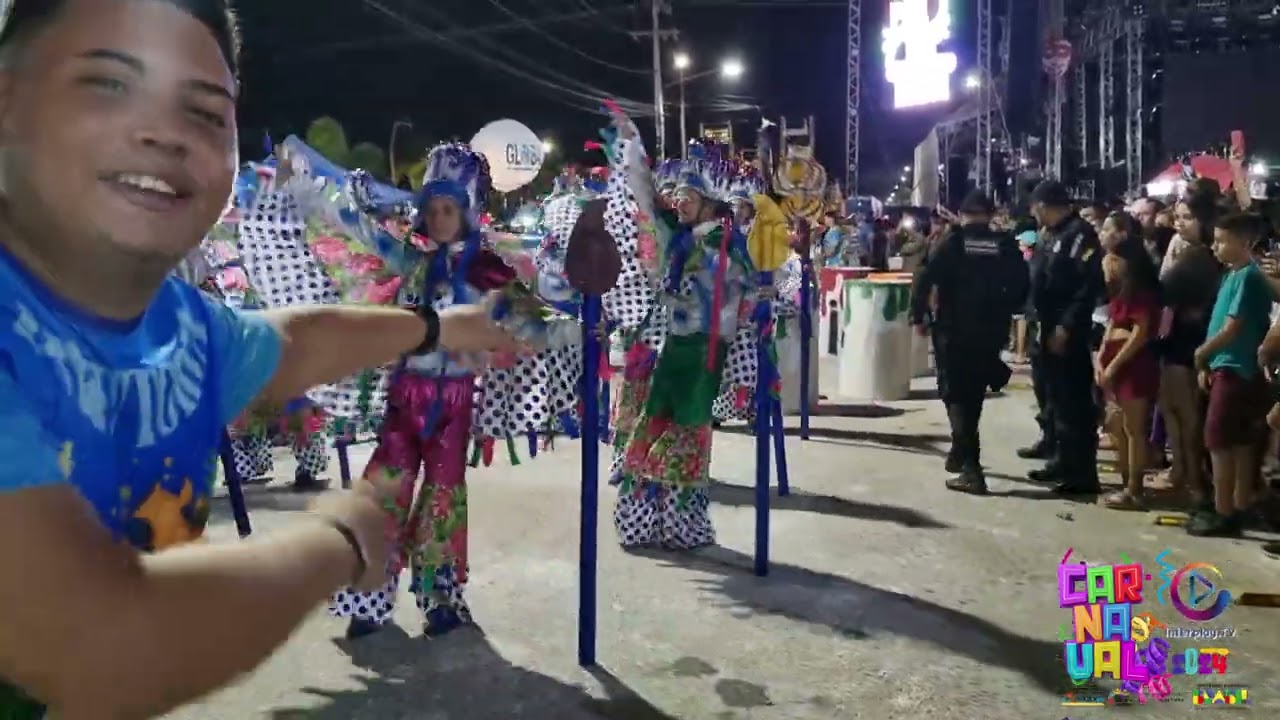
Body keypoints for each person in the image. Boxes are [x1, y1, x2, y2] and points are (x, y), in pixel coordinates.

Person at [0, 2, 521, 718]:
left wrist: (448, 326)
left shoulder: (188, 331)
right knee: (387, 490)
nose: (165, 134)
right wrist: (334, 543)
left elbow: (301, 339)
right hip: (408, 403)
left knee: (446, 503)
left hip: (455, 403)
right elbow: (101, 646)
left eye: (207, 112)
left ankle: (440, 597)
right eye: (108, 84)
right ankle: (370, 596)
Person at [911, 190, 1028, 494]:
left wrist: (918, 316)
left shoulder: (952, 241)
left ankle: (971, 468)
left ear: (962, 215)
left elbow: (924, 277)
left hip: (954, 330)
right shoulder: (1004, 244)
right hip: (990, 333)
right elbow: (1022, 284)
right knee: (973, 395)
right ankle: (959, 449)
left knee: (954, 395)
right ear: (990, 215)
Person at [1191, 212, 1273, 536]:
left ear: (1244, 242)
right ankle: (1238, 506)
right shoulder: (1232, 275)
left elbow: (1233, 327)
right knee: (1236, 443)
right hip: (1227, 366)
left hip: (1236, 367)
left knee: (1219, 443)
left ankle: (1224, 511)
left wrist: (1203, 354)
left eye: (1222, 240)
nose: (1215, 246)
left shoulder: (1248, 276)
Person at [1026, 181, 1105, 494]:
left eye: (1036, 207)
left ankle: (1082, 474)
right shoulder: (1052, 234)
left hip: (1066, 332)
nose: (1034, 213)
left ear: (1046, 205)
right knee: (1055, 400)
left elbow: (1086, 289)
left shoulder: (1080, 235)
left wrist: (1066, 326)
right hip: (1045, 326)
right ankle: (1061, 459)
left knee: (1074, 403)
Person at [1096, 213, 1162, 510]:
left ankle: (1135, 489)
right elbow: (1112, 324)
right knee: (1117, 425)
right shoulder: (1122, 291)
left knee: (1134, 429)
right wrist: (1101, 357)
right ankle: (1126, 482)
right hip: (1115, 361)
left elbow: (1141, 333)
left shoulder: (1143, 293)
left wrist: (1113, 364)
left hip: (1133, 365)